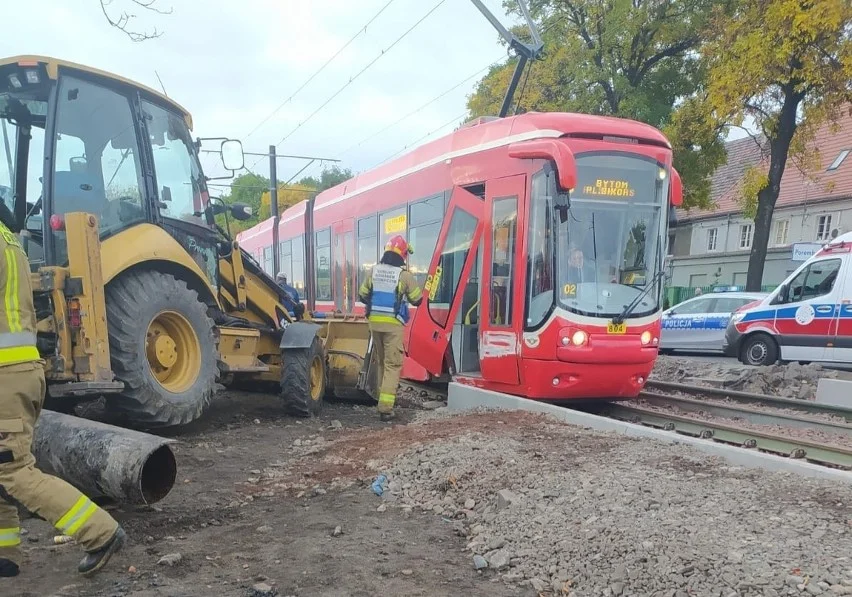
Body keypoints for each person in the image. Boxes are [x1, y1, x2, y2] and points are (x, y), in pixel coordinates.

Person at [0, 211, 125, 578]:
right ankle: (5, 554)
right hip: (20, 371)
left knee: (13, 471)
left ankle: (99, 533)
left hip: (5, 376)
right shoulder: (10, 240)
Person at [358, 235, 422, 421]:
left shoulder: (373, 272)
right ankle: (385, 408)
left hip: (374, 325)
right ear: (403, 255)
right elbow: (417, 300)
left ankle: (379, 398)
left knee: (382, 362)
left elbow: (362, 295)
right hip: (393, 325)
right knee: (393, 364)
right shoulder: (404, 276)